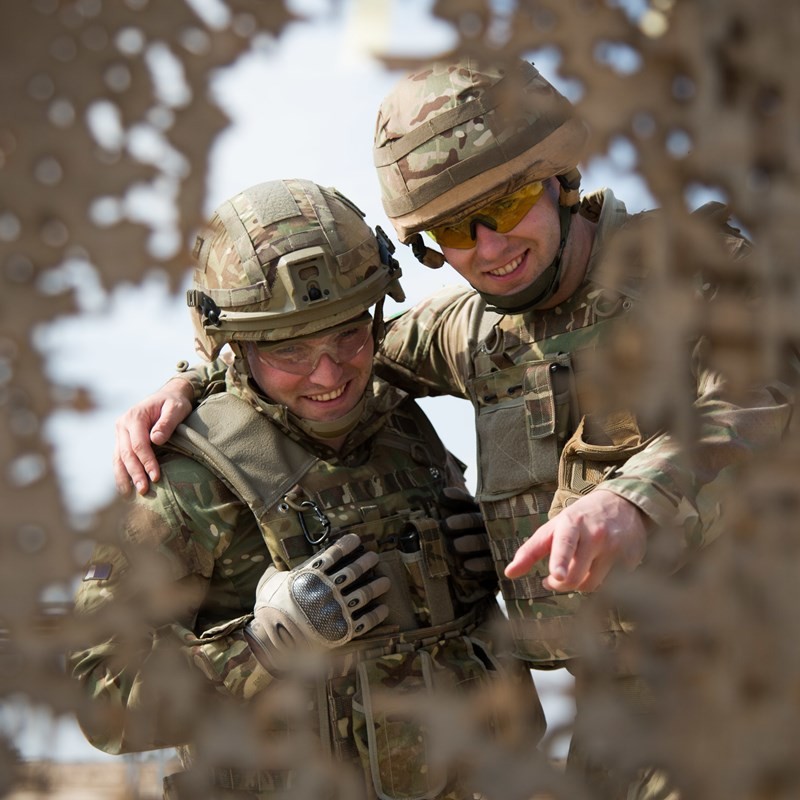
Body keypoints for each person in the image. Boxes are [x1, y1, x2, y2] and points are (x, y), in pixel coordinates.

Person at [110, 60, 793, 798]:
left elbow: (763, 399)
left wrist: (634, 500)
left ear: (560, 177)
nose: (488, 248)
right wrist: (195, 379)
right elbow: (328, 353)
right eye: (452, 230)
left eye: (509, 204)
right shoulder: (474, 332)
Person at [70, 178, 546, 800]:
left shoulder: (403, 424)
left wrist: (490, 560)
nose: (329, 374)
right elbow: (100, 698)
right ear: (236, 347)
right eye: (290, 350)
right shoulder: (184, 481)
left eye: (348, 334)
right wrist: (263, 647)